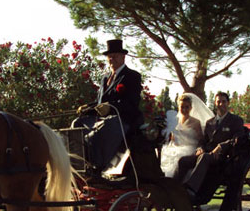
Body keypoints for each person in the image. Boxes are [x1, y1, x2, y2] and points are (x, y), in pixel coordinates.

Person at [74, 39, 143, 172]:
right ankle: (79, 165)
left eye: (115, 55)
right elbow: (100, 103)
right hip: (102, 119)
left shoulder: (132, 76)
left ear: (123, 57)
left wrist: (111, 107)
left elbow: (132, 102)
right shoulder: (105, 78)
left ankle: (97, 167)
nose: (112, 59)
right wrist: (87, 107)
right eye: (109, 56)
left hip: (124, 120)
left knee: (99, 132)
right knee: (77, 124)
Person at [175, 91, 245, 197]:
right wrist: (200, 148)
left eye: (224, 101)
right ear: (215, 103)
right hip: (206, 153)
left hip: (223, 156)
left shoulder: (236, 120)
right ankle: (176, 188)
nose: (221, 104)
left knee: (204, 157)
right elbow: (203, 140)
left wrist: (221, 146)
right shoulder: (210, 122)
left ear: (228, 103)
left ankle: (190, 189)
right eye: (218, 102)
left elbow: (237, 138)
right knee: (183, 160)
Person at [160, 93, 213, 177]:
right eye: (182, 107)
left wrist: (199, 150)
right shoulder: (175, 121)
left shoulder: (196, 122)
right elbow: (173, 139)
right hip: (175, 148)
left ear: (191, 108)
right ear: (178, 107)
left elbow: (201, 139)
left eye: (187, 107)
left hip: (190, 149)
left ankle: (176, 185)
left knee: (178, 161)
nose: (184, 109)